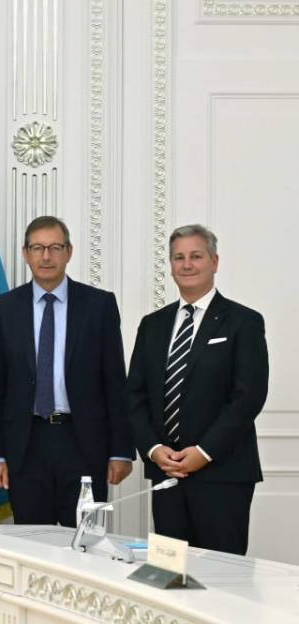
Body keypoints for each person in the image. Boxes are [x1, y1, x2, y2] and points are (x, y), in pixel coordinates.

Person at [0, 216, 133, 526]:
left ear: (69, 252)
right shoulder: (3, 308)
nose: (46, 256)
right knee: (33, 541)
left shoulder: (99, 305)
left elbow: (115, 382)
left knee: (85, 542)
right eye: (37, 248)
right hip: (25, 444)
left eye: (55, 247)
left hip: (84, 442)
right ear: (26, 254)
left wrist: (121, 450)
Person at [127, 224, 268, 555]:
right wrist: (153, 449)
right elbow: (134, 396)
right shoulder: (152, 325)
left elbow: (248, 397)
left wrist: (203, 452)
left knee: (221, 574)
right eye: (179, 257)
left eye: (196, 256)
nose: (187, 264)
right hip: (167, 472)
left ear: (214, 262)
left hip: (223, 474)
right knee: (171, 572)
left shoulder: (244, 322)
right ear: (171, 266)